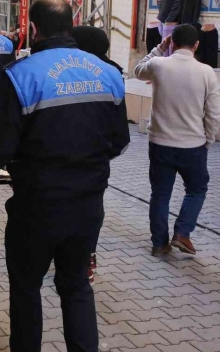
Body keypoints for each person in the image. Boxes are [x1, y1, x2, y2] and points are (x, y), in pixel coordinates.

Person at [0, 0, 129, 352]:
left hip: (37, 206)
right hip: (88, 206)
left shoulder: (20, 74)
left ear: (35, 29)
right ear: (70, 26)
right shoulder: (108, 72)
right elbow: (120, 141)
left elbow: (0, 142)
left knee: (26, 287)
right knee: (76, 286)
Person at [134, 24, 220, 256]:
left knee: (160, 194)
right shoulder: (206, 72)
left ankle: (159, 244)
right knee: (197, 189)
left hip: (160, 143)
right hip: (193, 145)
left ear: (171, 42)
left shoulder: (159, 64)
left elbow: (138, 71)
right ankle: (182, 233)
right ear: (197, 45)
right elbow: (214, 113)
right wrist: (208, 140)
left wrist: (158, 49)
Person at [71, 25, 124, 285]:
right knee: (91, 211)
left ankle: (64, 258)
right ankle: (87, 258)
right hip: (95, 166)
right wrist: (101, 156)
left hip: (56, 163)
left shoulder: (61, 72)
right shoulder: (113, 74)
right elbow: (121, 136)